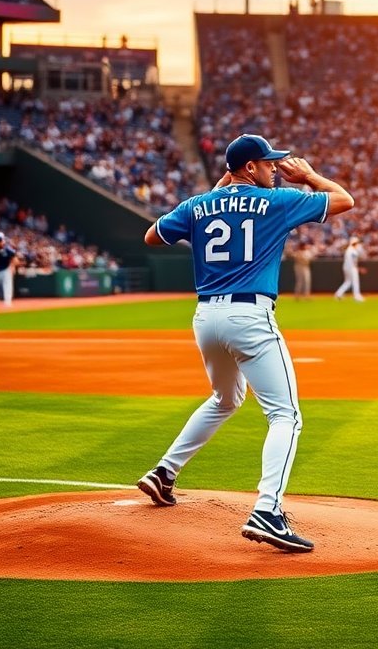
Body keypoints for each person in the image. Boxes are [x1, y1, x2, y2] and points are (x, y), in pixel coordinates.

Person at [135, 134, 354, 553]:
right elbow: (344, 200)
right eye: (268, 163)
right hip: (249, 315)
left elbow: (151, 237)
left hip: (206, 319)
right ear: (249, 168)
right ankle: (267, 510)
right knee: (286, 415)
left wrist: (217, 193)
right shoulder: (278, 201)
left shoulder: (198, 205)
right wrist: (309, 176)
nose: (276, 168)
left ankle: (164, 473)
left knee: (225, 398)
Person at [334, 236, 365, 301]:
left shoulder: (350, 249)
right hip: (351, 267)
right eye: (357, 242)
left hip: (347, 267)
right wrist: (358, 268)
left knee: (348, 282)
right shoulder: (352, 250)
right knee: (355, 281)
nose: (357, 244)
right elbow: (353, 261)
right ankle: (357, 296)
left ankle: (338, 294)